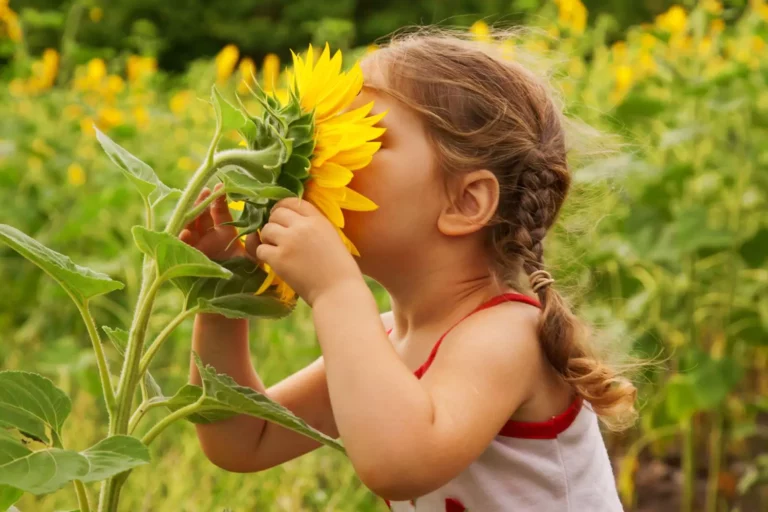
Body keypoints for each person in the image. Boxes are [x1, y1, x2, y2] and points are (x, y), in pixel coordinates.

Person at [180, 30, 636, 511]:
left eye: (363, 137)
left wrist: (337, 292)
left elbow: (399, 466)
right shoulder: (387, 339)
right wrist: (224, 292)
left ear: (465, 202)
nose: (321, 156)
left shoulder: (507, 337)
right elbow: (244, 438)